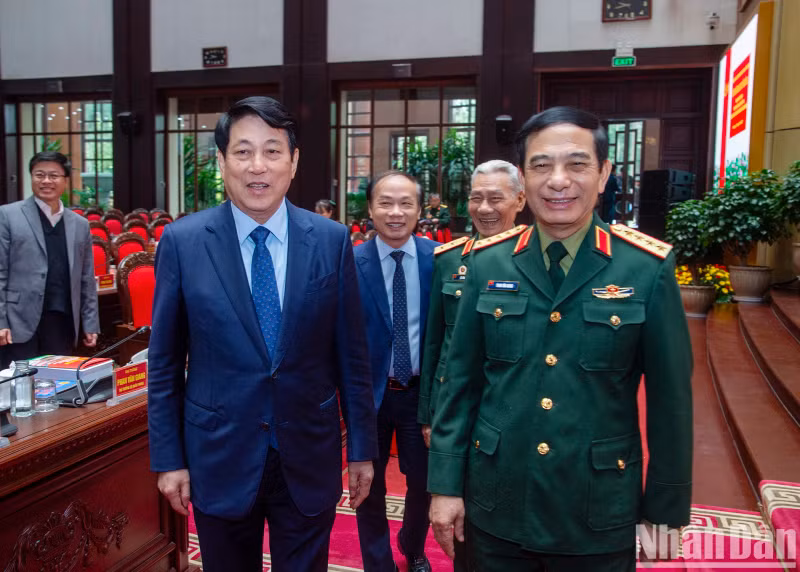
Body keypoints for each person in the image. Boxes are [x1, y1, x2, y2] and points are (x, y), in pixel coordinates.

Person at [428, 107, 693, 571]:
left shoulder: (645, 268)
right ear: (524, 180)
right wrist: (445, 485)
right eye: (541, 165)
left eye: (576, 164)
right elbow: (461, 384)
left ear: (604, 173)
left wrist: (665, 513)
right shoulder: (487, 264)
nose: (558, 180)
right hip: (495, 504)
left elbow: (672, 404)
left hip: (596, 512)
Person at [148, 96, 377, 572]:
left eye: (273, 151)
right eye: (243, 151)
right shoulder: (184, 242)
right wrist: (168, 459)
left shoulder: (331, 241)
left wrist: (361, 450)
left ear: (293, 162)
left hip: (308, 454)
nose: (258, 166)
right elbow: (166, 363)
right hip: (219, 454)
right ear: (221, 161)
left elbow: (352, 358)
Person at [418, 159, 525, 571]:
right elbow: (435, 344)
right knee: (461, 515)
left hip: (508, 408)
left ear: (520, 199)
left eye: (495, 198)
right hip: (457, 408)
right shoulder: (448, 260)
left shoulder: (534, 261)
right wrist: (430, 412)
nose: (484, 208)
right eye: (476, 198)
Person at [353, 171, 436, 572]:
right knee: (368, 485)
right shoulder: (350, 263)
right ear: (370, 208)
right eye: (385, 202)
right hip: (369, 396)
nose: (396, 212)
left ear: (420, 209)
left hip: (418, 395)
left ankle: (413, 545)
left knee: (422, 484)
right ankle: (377, 561)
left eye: (406, 203)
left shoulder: (438, 260)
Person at [0, 151, 99, 366]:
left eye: (53, 176)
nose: (46, 181)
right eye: (39, 175)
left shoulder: (79, 224)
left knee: (58, 387)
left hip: (61, 320)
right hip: (18, 321)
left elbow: (86, 278)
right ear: (31, 178)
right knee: (17, 389)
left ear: (65, 180)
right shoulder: (7, 215)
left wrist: (90, 323)